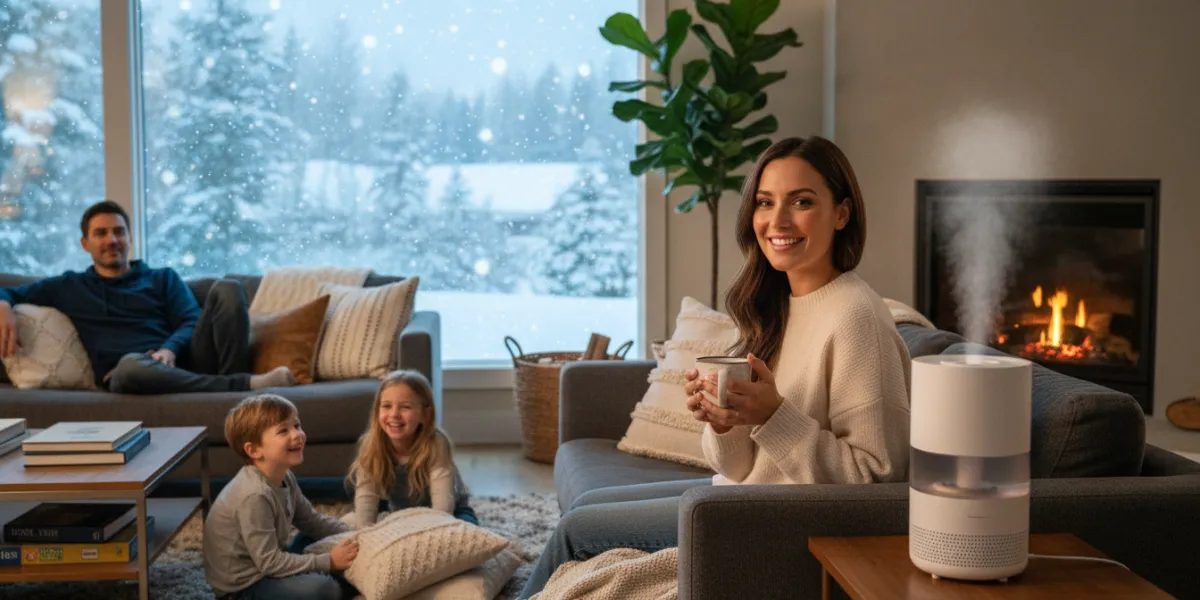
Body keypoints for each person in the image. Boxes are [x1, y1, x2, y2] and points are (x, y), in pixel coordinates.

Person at [519, 136, 912, 597]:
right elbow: (742, 466)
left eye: (801, 202)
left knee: (578, 532)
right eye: (765, 203)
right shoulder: (780, 306)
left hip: (767, 522)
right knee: (586, 507)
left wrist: (772, 416)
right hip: (736, 496)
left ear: (842, 214)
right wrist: (724, 422)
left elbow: (877, 482)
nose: (777, 221)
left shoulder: (856, 318)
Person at [0, 200, 294, 393]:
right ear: (85, 243)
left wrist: (170, 349)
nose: (111, 240)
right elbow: (8, 291)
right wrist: (3, 304)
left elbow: (191, 319)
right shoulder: (69, 286)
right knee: (131, 365)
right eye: (100, 233)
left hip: (182, 362)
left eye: (119, 232)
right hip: (129, 373)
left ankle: (233, 389)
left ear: (129, 237)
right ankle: (242, 386)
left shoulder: (161, 278)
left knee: (229, 288)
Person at [204, 394, 360, 600]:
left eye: (297, 425)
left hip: (269, 564)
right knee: (325, 590)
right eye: (283, 431)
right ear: (254, 450)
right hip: (244, 588)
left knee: (312, 535)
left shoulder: (285, 476)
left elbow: (312, 521)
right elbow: (270, 563)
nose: (297, 435)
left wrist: (356, 536)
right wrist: (328, 561)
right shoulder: (254, 495)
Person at [346, 370, 477, 528]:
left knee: (467, 532)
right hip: (400, 510)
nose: (394, 414)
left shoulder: (436, 444)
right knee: (351, 501)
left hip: (453, 508)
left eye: (405, 407)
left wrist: (436, 531)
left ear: (425, 415)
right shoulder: (370, 444)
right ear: (377, 411)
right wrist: (364, 533)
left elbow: (443, 507)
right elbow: (366, 496)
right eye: (387, 406)